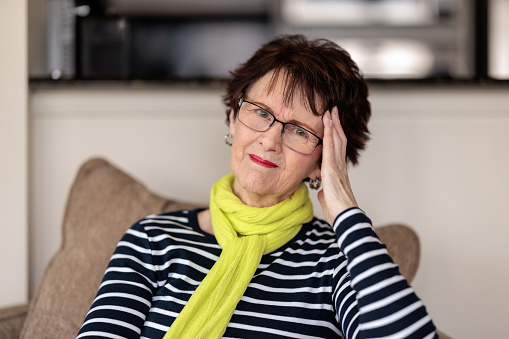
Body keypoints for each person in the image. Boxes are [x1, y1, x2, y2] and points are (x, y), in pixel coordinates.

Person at [77, 35, 437, 338]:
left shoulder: (336, 262)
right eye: (261, 113)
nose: (270, 140)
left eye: (299, 130)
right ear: (233, 118)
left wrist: (344, 208)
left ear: (323, 159)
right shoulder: (153, 240)